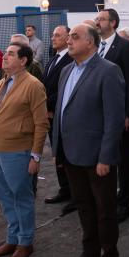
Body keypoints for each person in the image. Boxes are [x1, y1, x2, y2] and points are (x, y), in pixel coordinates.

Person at [52, 24, 125, 257]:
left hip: (97, 158)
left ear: (91, 43)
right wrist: (57, 148)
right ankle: (90, 254)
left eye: (75, 37)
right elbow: (62, 112)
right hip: (71, 155)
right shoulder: (66, 71)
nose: (69, 41)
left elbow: (114, 119)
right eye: (68, 37)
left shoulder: (108, 71)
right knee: (83, 207)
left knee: (105, 210)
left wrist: (106, 157)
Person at [0, 43, 49, 257]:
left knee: (21, 198)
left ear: (23, 61)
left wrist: (35, 156)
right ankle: (12, 239)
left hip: (18, 152)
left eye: (10, 54)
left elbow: (41, 124)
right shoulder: (2, 83)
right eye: (5, 53)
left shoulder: (33, 85)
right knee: (5, 197)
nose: (4, 57)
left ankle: (25, 242)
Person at [95, 8, 129, 223]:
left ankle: (124, 203)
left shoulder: (125, 47)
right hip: (99, 115)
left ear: (113, 23)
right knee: (105, 159)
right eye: (97, 19)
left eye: (101, 19)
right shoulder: (95, 47)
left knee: (123, 161)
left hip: (120, 114)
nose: (97, 22)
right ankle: (108, 200)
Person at [42, 26, 76, 211]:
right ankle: (64, 189)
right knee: (58, 153)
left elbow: (65, 88)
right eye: (53, 34)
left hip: (60, 113)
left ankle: (75, 194)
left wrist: (49, 105)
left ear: (67, 38)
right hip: (49, 115)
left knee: (67, 155)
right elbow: (44, 85)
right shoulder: (54, 58)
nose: (53, 38)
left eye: (57, 35)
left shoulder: (71, 59)